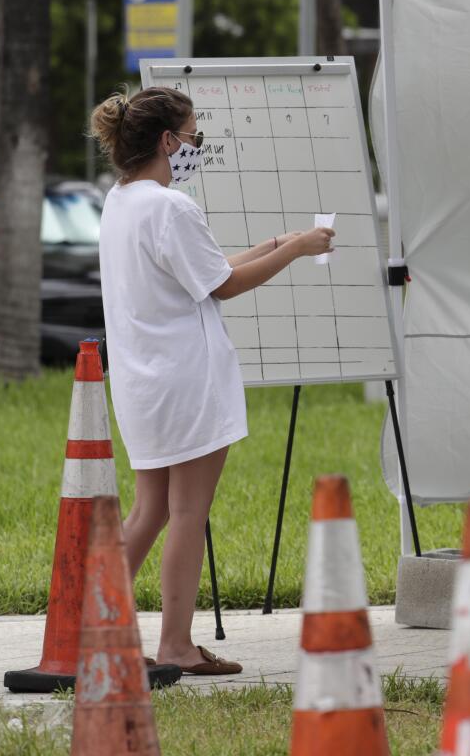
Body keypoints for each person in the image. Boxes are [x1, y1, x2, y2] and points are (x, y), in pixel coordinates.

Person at [89, 87, 335, 674]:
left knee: (150, 510)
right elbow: (221, 286)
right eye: (194, 135)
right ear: (169, 142)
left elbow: (201, 271)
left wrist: (271, 247)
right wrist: (298, 249)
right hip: (189, 382)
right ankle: (176, 644)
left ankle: (90, 627)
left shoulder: (120, 201)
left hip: (142, 383)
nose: (199, 146)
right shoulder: (172, 206)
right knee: (188, 513)